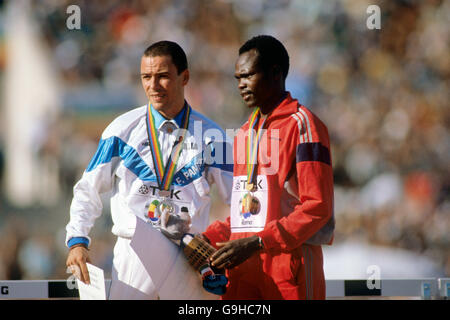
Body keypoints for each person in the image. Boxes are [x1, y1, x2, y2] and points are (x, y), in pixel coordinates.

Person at [65, 40, 233, 299]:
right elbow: (88, 188)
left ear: (184, 77)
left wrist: (218, 243)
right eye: (146, 77)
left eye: (163, 76)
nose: (153, 86)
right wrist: (77, 239)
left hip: (189, 254)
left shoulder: (213, 136)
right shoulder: (120, 130)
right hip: (135, 252)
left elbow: (237, 198)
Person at [202, 35, 335, 300]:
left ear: (276, 73)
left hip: (290, 267)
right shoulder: (243, 134)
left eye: (248, 76)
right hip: (245, 271)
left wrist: (259, 241)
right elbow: (249, 213)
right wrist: (210, 237)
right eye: (238, 78)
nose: (241, 85)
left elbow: (318, 207)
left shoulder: (303, 126)